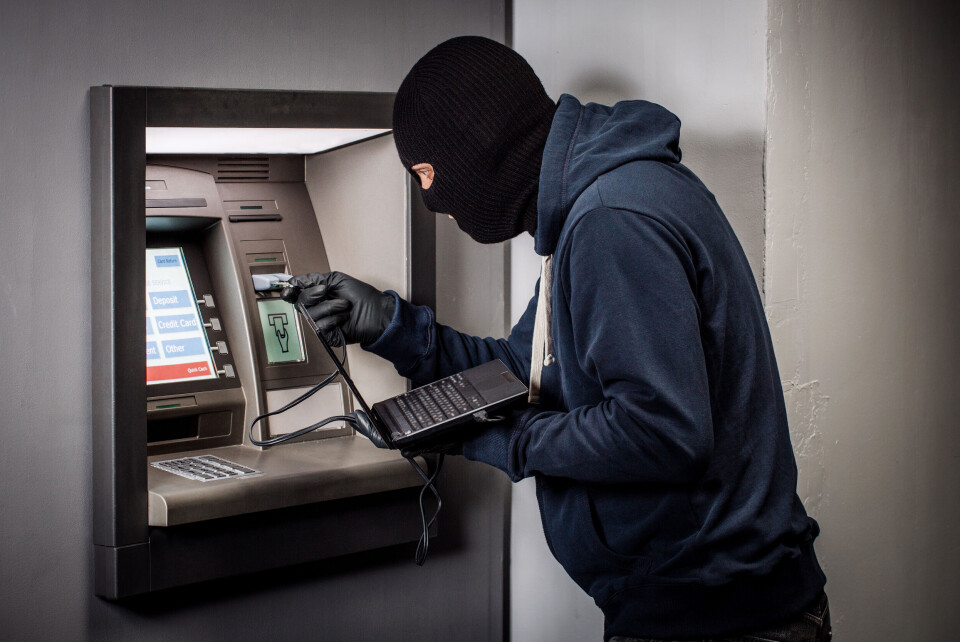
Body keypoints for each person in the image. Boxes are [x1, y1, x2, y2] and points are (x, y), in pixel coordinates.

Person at [283, 36, 830, 642]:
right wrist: (389, 324)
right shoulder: (598, 201)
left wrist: (504, 440)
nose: (432, 201)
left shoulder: (610, 221)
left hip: (720, 620)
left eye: (426, 175)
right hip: (701, 610)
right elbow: (524, 369)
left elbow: (663, 432)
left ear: (473, 149)